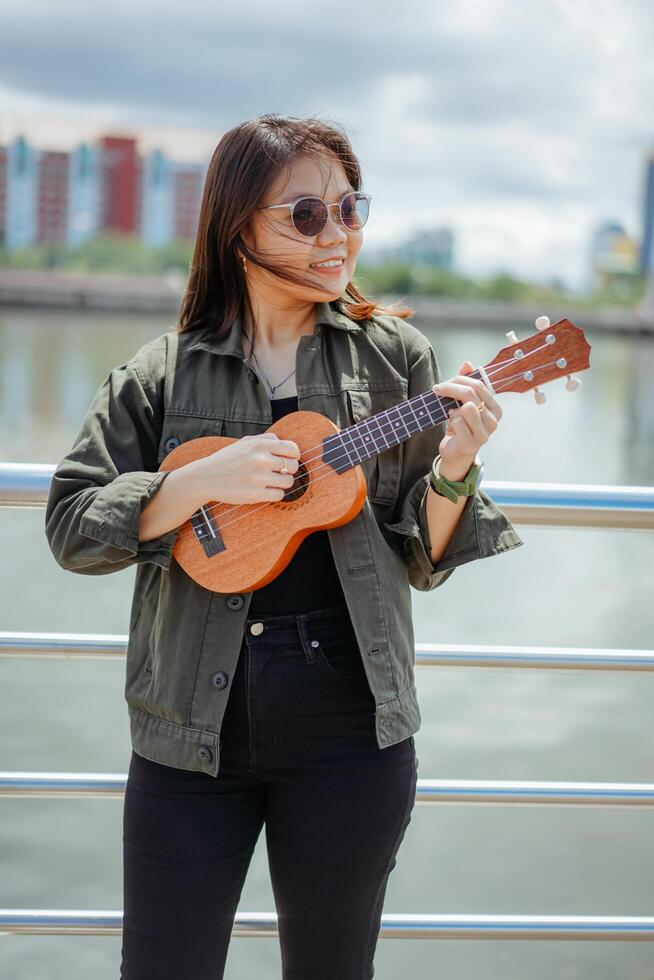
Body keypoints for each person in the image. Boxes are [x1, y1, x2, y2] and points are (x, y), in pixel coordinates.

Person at [45, 113, 524, 980]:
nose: (337, 233)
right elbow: (73, 529)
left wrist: (454, 468)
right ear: (238, 227)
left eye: (350, 208)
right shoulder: (164, 373)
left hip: (352, 728)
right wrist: (197, 481)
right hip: (188, 729)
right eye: (306, 214)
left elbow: (423, 555)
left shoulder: (396, 361)